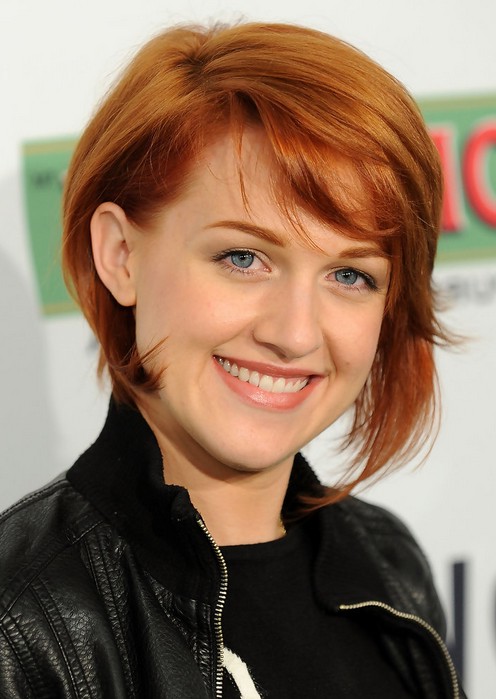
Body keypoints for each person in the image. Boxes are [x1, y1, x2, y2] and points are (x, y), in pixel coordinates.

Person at [0, 21, 465, 699]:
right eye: (243, 257)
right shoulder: (20, 623)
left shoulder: (389, 566)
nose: (295, 333)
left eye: (350, 275)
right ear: (121, 255)